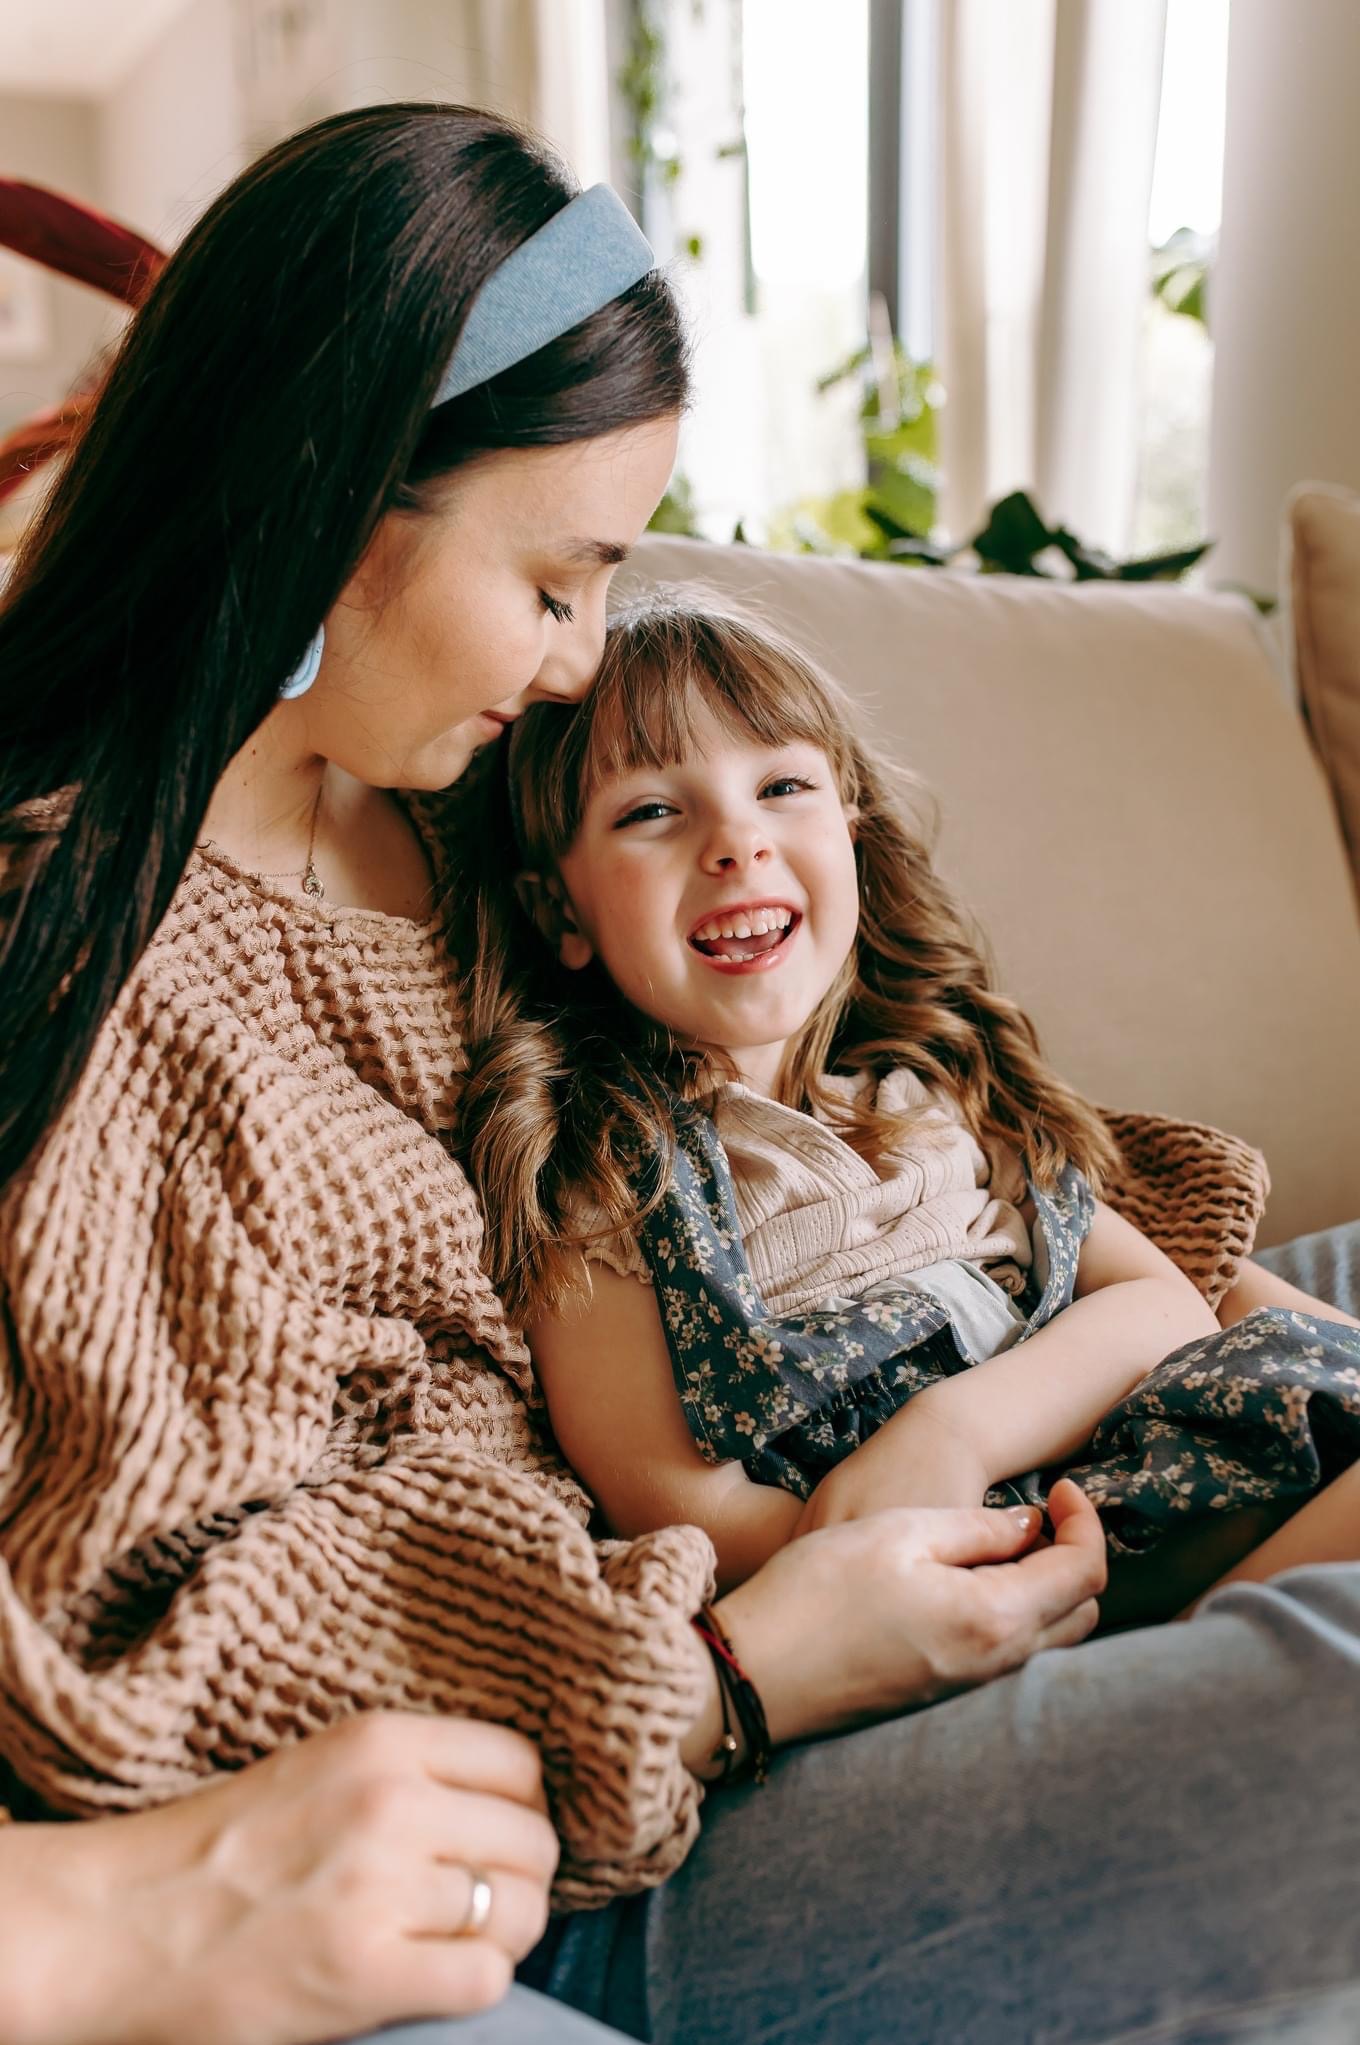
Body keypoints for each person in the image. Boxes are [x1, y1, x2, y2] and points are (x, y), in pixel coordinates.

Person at [0, 99, 1354, 2045]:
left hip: (844, 1459)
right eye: (556, 582)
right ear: (329, 495)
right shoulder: (73, 951)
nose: (575, 663)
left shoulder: (465, 824)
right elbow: (185, 1631)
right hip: (638, 1777)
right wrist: (740, 1659)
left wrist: (1121, 1315)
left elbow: (799, 1067)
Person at [453, 593, 1360, 1616]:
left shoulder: (924, 1090)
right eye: (651, 810)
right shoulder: (605, 1172)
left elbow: (1164, 1301)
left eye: (781, 785)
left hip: (1137, 1464)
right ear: (557, 909)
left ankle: (1210, 1643)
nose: (734, 842)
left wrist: (955, 1430)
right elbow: (672, 1498)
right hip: (929, 1570)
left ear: (849, 830)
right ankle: (1196, 1660)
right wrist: (902, 1574)